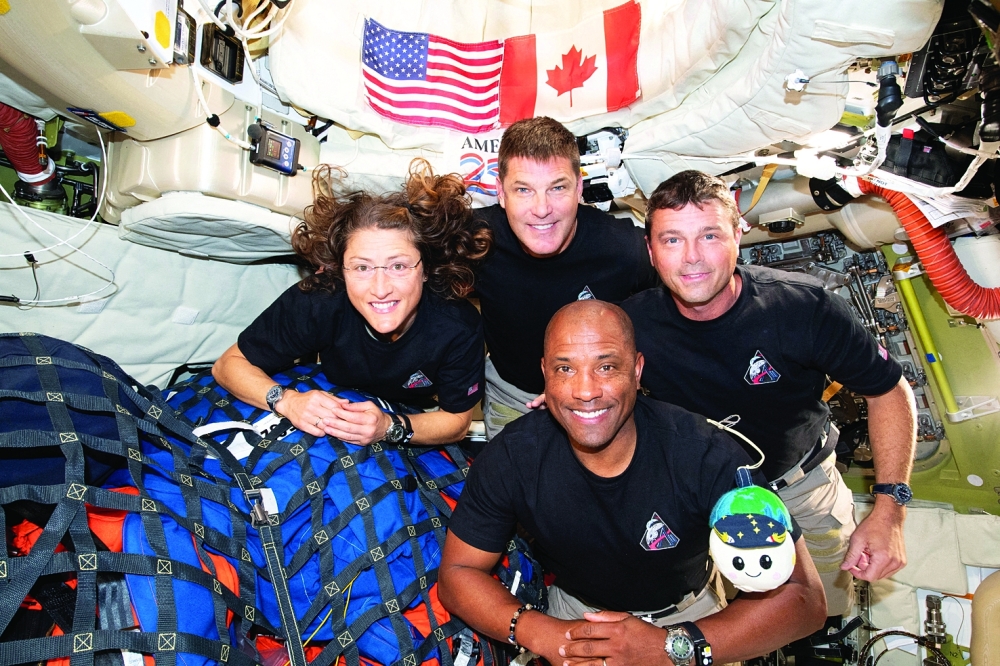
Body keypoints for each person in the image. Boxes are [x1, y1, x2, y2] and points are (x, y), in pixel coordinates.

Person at [439, 300, 826, 666]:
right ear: (544, 374)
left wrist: (671, 647)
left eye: (606, 367)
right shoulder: (512, 456)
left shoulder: (707, 456)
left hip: (690, 619)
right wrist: (540, 632)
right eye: (565, 369)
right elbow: (457, 574)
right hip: (573, 617)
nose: (586, 390)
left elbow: (804, 599)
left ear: (637, 371)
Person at [620, 170, 917, 617]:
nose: (692, 259)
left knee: (824, 607)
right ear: (650, 250)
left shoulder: (802, 308)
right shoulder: (629, 325)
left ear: (739, 234)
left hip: (800, 488)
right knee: (712, 614)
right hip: (692, 494)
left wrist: (890, 510)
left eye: (710, 235)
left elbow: (888, 391)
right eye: (672, 240)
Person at [212, 160, 490, 446]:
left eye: (398, 266)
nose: (380, 289)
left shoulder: (458, 325)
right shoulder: (320, 299)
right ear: (339, 270)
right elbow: (227, 365)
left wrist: (389, 426)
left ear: (427, 268)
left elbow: (456, 422)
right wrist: (287, 401)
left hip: (410, 417)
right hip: (328, 399)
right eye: (361, 268)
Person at [473, 116, 658, 438]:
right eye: (524, 190)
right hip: (513, 394)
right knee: (511, 485)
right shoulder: (473, 241)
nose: (541, 208)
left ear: (579, 189)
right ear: (501, 193)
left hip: (599, 396)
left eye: (557, 188)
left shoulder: (625, 250)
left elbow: (674, 319)